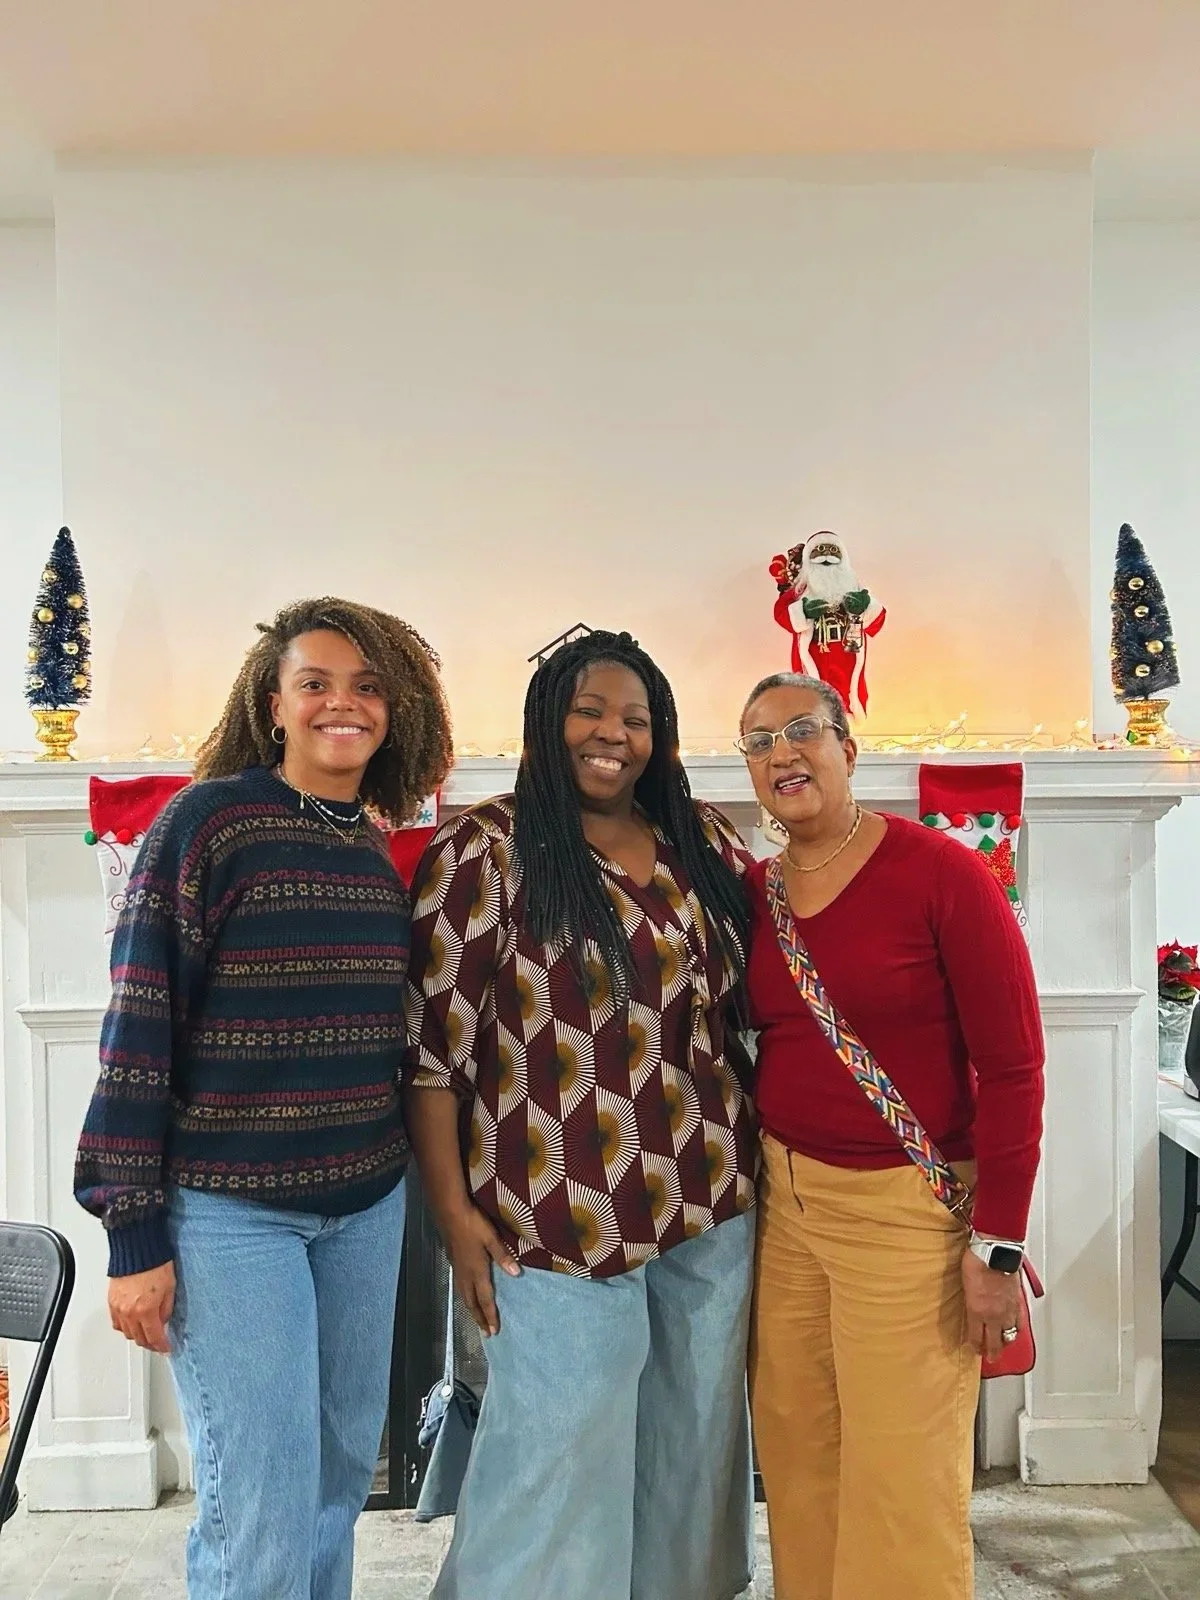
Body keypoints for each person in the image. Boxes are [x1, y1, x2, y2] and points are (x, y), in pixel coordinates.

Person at [74, 597, 453, 1600]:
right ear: (274, 704)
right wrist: (134, 1235)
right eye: (317, 682)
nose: (345, 704)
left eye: (369, 686)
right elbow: (139, 1030)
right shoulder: (207, 823)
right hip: (230, 1217)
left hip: (364, 1211)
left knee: (333, 1484)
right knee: (263, 1503)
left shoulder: (372, 853)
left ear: (396, 708)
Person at [403, 629, 757, 1600]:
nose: (615, 734)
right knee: (553, 1457)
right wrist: (454, 1218)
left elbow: (747, 1017)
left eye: (637, 718)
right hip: (554, 1212)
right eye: (590, 711)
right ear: (546, 721)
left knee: (694, 1448)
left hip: (711, 1202)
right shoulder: (485, 848)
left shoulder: (708, 842)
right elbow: (431, 1057)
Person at [737, 672, 1044, 1600]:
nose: (782, 752)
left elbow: (1017, 1067)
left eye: (801, 730)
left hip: (906, 1218)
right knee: (799, 1456)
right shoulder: (757, 892)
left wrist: (997, 1244)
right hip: (786, 1211)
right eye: (758, 741)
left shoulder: (940, 871)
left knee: (902, 1478)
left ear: (848, 746)